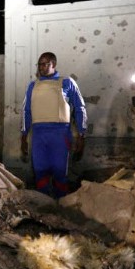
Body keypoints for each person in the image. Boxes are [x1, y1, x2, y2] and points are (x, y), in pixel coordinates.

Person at [20, 52, 87, 198]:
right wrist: (24, 136)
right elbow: (26, 111)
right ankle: (43, 204)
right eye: (39, 64)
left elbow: (80, 108)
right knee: (40, 170)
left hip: (60, 133)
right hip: (38, 134)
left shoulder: (67, 83)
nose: (42, 67)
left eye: (45, 64)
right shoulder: (33, 86)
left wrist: (82, 134)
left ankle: (60, 203)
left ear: (54, 64)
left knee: (59, 170)